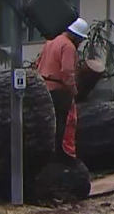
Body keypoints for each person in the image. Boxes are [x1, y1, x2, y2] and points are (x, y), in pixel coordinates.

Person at [37, 17, 90, 163]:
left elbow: (38, 63)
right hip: (59, 90)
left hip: (43, 87)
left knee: (48, 124)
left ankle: (49, 155)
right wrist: (73, 91)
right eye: (80, 39)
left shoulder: (51, 41)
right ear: (76, 35)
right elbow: (67, 72)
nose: (80, 43)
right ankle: (63, 156)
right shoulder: (68, 46)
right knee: (64, 124)